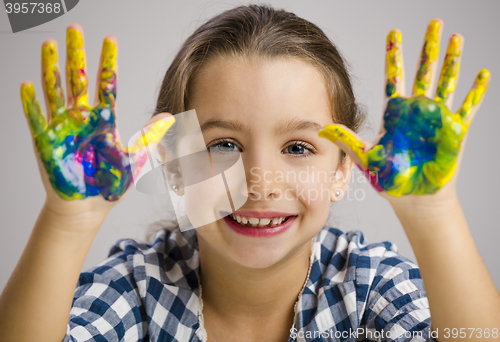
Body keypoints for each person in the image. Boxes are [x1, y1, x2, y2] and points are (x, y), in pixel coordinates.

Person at [0, 4, 498, 342]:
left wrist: (433, 212)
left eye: (299, 147)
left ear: (344, 168)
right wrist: (69, 221)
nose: (261, 179)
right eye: (223, 145)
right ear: (173, 164)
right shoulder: (137, 286)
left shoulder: (367, 285)